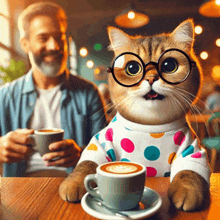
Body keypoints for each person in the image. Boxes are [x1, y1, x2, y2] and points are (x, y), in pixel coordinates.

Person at [0, 2, 106, 177]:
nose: (54, 46)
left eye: (59, 37)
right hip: (19, 185)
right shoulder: (5, 96)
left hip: (74, 183)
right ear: (25, 44)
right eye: (43, 38)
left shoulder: (89, 93)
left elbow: (105, 150)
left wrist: (80, 154)